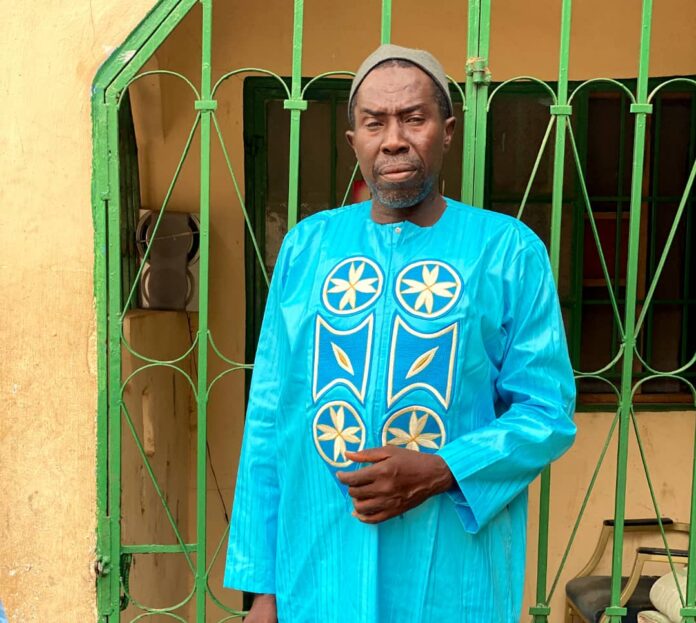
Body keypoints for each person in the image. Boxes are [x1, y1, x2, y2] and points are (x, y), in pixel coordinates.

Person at [224, 44, 576, 623]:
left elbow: (546, 412)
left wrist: (441, 470)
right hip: (318, 571)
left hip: (452, 577)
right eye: (374, 123)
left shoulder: (508, 252)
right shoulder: (307, 248)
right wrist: (262, 592)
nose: (393, 139)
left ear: (447, 131)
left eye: (414, 118)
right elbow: (269, 418)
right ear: (353, 141)